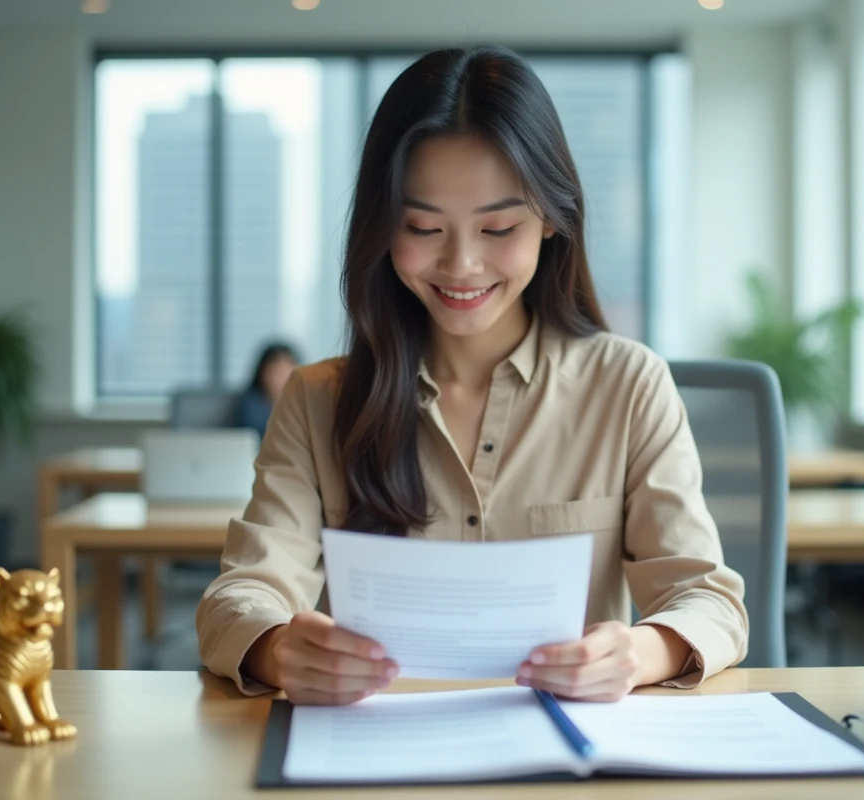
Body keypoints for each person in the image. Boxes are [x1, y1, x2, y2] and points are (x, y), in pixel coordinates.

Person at [196, 46, 747, 706]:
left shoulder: (627, 386)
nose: (460, 263)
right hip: (379, 753)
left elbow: (708, 600)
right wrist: (278, 649)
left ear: (550, 220)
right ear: (381, 228)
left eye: (498, 226)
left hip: (564, 755)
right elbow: (239, 597)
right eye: (423, 226)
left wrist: (639, 651)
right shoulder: (318, 402)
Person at [234, 342, 300, 439]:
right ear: (262, 373)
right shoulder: (250, 404)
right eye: (276, 373)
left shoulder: (304, 402)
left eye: (285, 373)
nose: (281, 379)